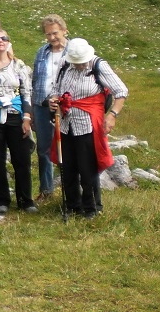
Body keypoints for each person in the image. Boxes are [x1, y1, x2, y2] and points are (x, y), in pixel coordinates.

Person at [48, 38, 128, 219]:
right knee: (67, 167)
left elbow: (121, 91)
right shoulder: (64, 64)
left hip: (88, 125)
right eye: (75, 62)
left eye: (81, 62)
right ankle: (72, 205)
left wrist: (112, 114)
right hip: (65, 124)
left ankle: (92, 208)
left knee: (87, 168)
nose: (78, 65)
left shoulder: (98, 66)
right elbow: (55, 88)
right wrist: (53, 100)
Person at [0, 30, 36, 214]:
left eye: (4, 38)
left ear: (9, 42)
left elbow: (27, 92)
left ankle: (25, 199)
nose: (0, 41)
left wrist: (27, 118)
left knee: (22, 158)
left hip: (16, 115)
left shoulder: (19, 66)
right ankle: (1, 199)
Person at [31, 15, 69, 201]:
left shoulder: (74, 51)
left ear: (64, 30)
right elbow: (35, 80)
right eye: (48, 34)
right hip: (41, 104)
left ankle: (70, 188)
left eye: (55, 33)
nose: (52, 38)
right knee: (44, 148)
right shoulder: (42, 52)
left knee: (68, 147)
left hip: (67, 107)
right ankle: (46, 190)